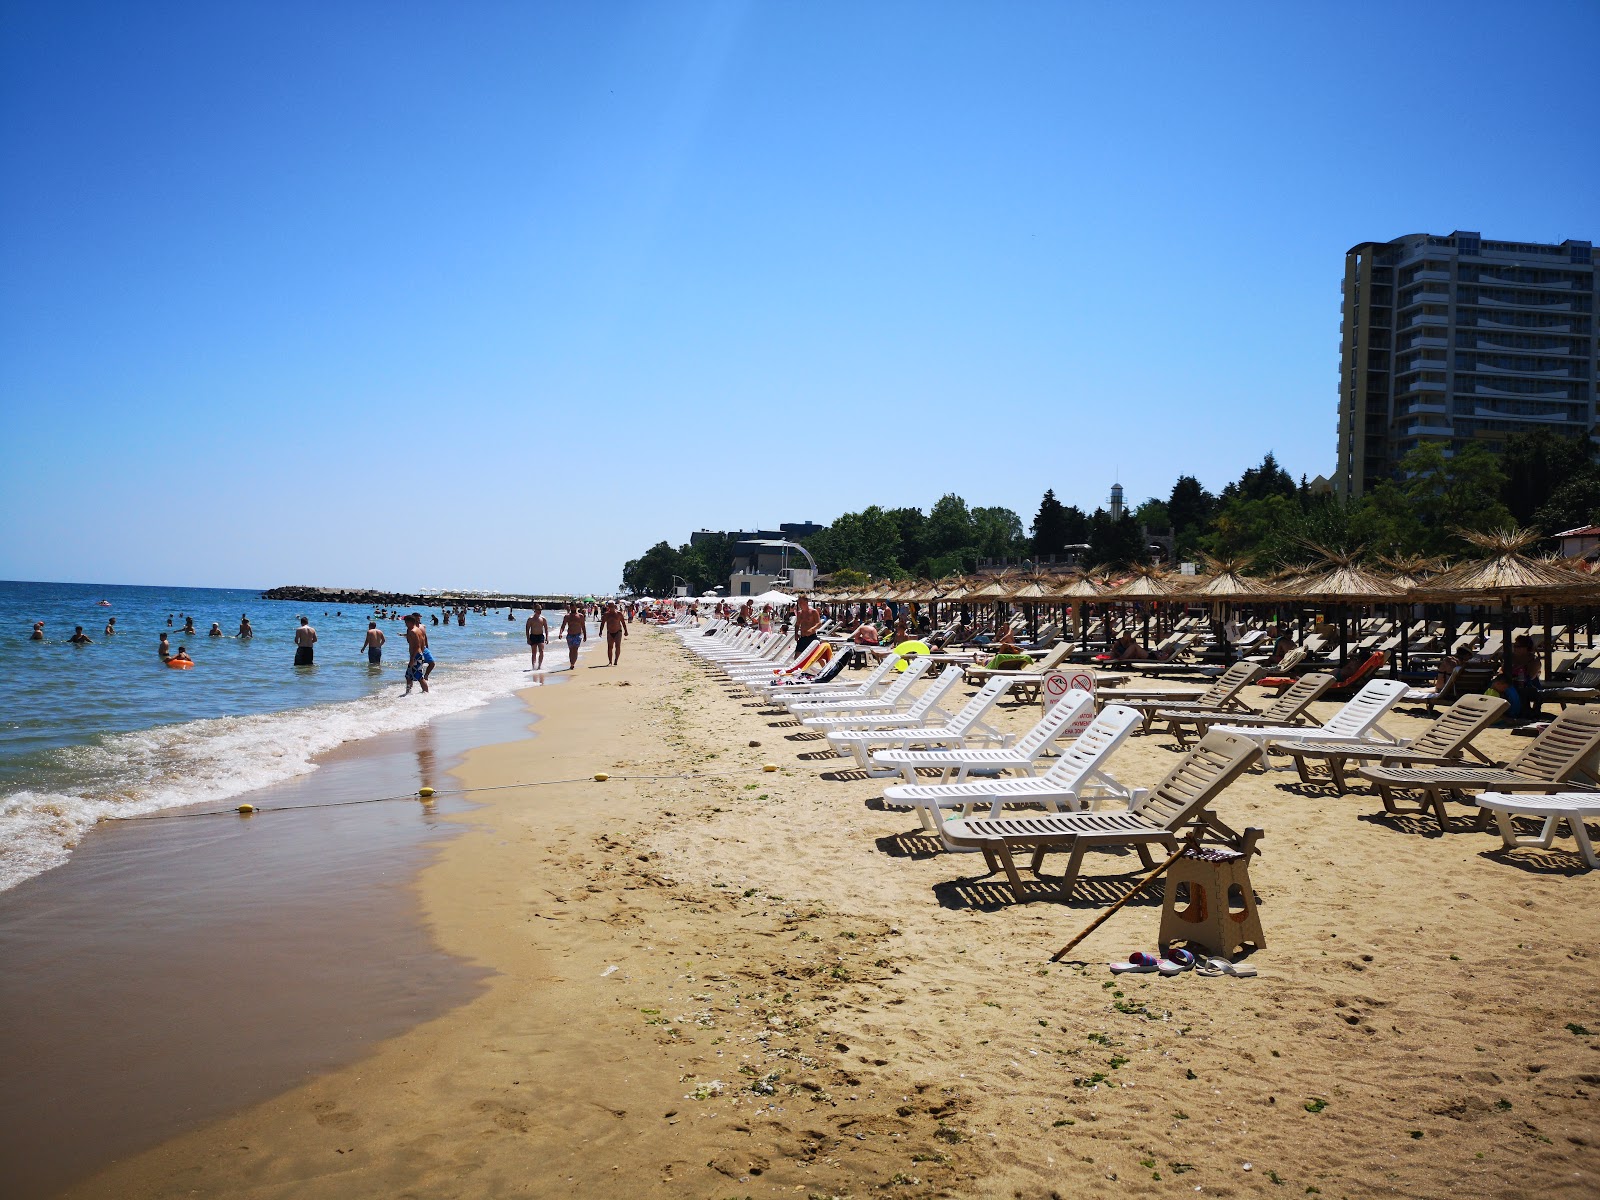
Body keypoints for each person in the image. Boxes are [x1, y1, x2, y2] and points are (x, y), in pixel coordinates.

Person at [1509, 634, 1542, 716]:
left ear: (1526, 648)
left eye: (1518, 646)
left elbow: (1530, 677)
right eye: (1514, 646)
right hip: (1512, 684)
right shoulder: (1511, 658)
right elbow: (1502, 670)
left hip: (1530, 686)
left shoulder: (1534, 661)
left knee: (1522, 691)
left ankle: (1526, 712)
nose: (1515, 648)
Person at [599, 601, 629, 666]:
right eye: (609, 606)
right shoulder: (606, 614)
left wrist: (626, 631)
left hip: (618, 632)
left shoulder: (619, 614)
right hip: (610, 632)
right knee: (610, 647)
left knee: (617, 646)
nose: (611, 608)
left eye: (612, 606)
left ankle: (616, 660)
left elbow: (623, 622)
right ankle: (610, 661)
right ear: (608, 607)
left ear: (614, 606)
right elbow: (602, 623)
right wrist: (600, 631)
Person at [558, 602, 587, 669]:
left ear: (576, 607)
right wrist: (560, 633)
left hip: (578, 635)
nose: (573, 608)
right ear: (570, 608)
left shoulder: (580, 616)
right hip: (570, 635)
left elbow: (583, 626)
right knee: (571, 650)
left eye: (574, 606)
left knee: (575, 649)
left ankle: (573, 663)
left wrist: (585, 635)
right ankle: (571, 663)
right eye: (571, 607)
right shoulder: (567, 616)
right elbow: (563, 626)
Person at [794, 595, 822, 660]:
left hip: (812, 636)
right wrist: (796, 634)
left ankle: (826, 668)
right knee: (797, 655)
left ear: (806, 602)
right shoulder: (800, 613)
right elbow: (797, 624)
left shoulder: (813, 612)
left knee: (817, 656)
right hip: (803, 637)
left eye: (801, 602)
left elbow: (819, 624)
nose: (800, 604)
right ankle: (795, 669)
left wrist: (812, 629)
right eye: (799, 602)